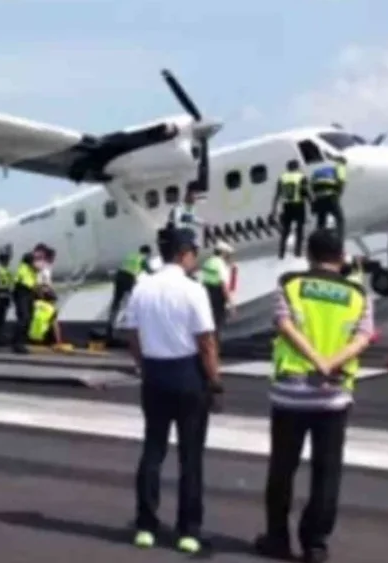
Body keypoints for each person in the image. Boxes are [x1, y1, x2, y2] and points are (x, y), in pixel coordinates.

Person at [254, 229, 375, 563]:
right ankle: (315, 543)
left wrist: (314, 360)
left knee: (282, 468)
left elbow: (283, 324)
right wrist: (330, 363)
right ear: (340, 256)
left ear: (308, 254)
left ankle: (277, 538)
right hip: (333, 395)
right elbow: (364, 337)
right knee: (327, 471)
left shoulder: (290, 283)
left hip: (290, 392)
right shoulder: (358, 294)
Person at [120, 228, 221, 556]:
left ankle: (146, 526)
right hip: (187, 374)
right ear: (183, 253)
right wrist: (215, 379)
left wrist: (143, 365)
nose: (195, 258)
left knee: (153, 451)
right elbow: (206, 341)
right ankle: (188, 531)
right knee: (191, 456)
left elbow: (132, 335)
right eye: (193, 251)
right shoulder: (193, 289)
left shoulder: (142, 286)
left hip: (155, 374)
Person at [107, 245, 151, 337]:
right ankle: (133, 324)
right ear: (147, 253)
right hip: (129, 278)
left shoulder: (130, 256)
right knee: (133, 301)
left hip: (119, 277)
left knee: (116, 301)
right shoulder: (143, 258)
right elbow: (149, 271)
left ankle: (110, 326)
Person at [272, 160, 309, 259]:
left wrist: (274, 209)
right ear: (297, 167)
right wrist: (311, 202)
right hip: (299, 205)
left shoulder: (282, 178)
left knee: (285, 230)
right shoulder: (301, 177)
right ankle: (297, 251)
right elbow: (305, 191)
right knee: (300, 229)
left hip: (287, 206)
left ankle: (281, 253)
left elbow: (277, 195)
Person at [201, 241, 236, 338]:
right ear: (223, 253)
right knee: (217, 326)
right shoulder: (220, 264)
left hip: (206, 295)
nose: (229, 257)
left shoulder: (208, 262)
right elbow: (224, 286)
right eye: (227, 254)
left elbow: (203, 280)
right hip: (217, 298)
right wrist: (231, 304)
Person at [309, 158, 347, 237]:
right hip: (330, 197)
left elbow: (312, 186)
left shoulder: (318, 171)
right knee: (340, 219)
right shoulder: (340, 166)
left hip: (319, 198)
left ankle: (319, 242)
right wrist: (338, 196)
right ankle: (339, 240)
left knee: (321, 221)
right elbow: (341, 182)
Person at [11, 251, 37, 354]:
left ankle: (20, 340)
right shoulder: (23, 269)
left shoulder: (30, 270)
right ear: (29, 261)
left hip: (28, 294)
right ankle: (17, 344)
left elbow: (32, 283)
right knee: (24, 318)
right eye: (33, 260)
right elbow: (22, 284)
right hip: (22, 294)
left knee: (29, 317)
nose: (34, 262)